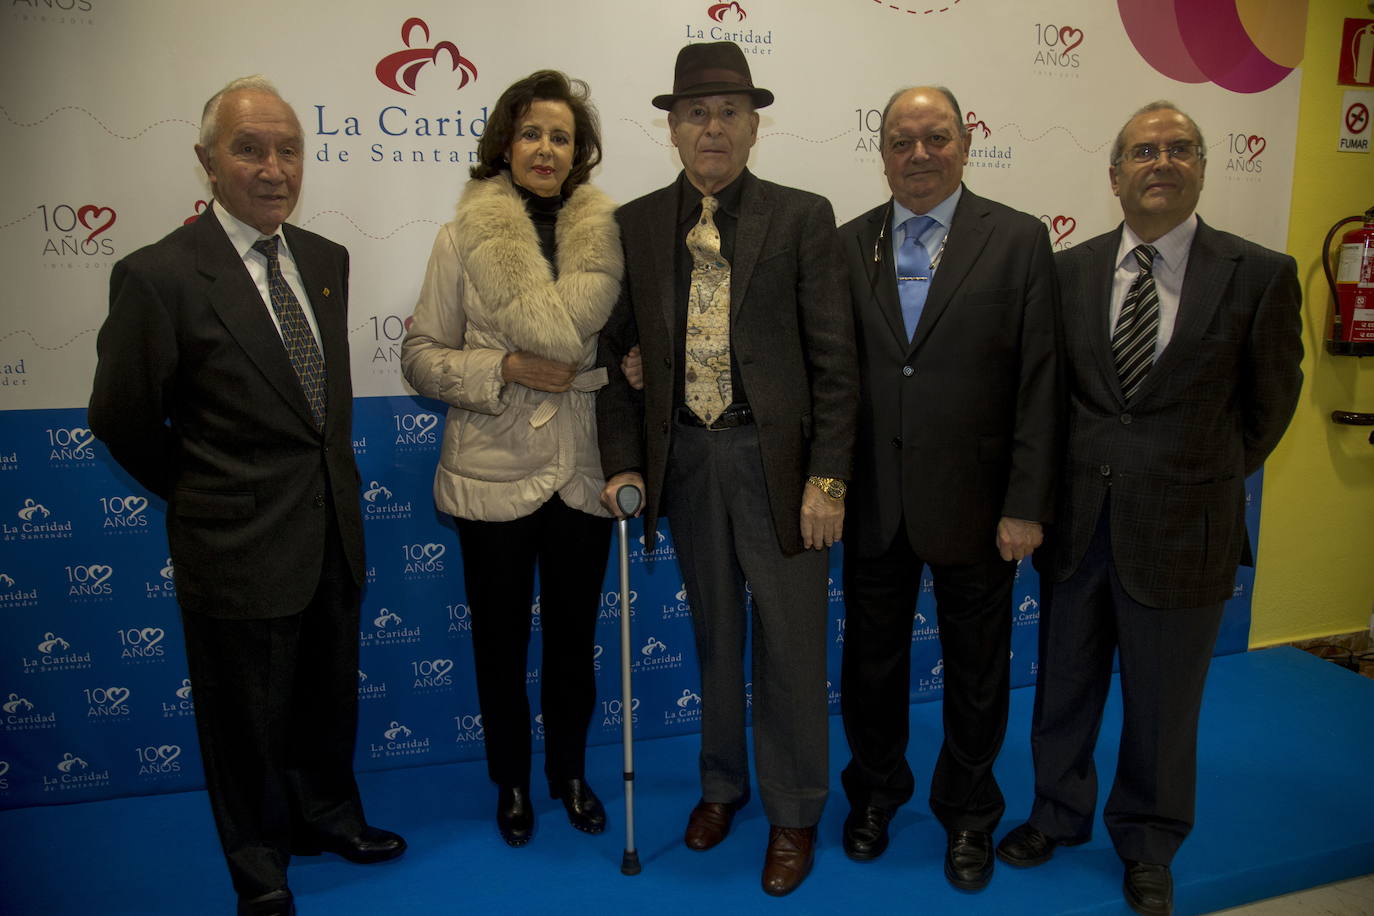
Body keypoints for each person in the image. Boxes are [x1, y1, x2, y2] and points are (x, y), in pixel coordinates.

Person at [89, 76, 404, 916]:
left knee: (326, 699)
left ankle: (328, 818)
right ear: (206, 162)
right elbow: (119, 418)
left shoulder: (326, 261)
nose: (274, 168)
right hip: (234, 545)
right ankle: (258, 863)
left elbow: (314, 413)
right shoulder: (158, 276)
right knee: (244, 726)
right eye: (250, 148)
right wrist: (205, 491)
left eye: (289, 149)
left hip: (333, 532)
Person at [994, 102, 1303, 916]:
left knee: (1165, 707)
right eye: (1142, 151)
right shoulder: (1069, 272)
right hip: (1078, 527)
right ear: (1115, 176)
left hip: (1184, 533)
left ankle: (1148, 842)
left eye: (1177, 149)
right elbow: (1046, 401)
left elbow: (1270, 407)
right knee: (1063, 688)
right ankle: (1056, 816)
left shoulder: (1259, 273)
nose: (1159, 162)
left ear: (1202, 166)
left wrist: (1196, 479)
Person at [596, 41, 857, 897]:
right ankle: (722, 787)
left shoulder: (803, 215)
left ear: (754, 126)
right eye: (697, 113)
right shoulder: (635, 223)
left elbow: (835, 363)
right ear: (671, 128)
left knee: (790, 645)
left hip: (777, 465)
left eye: (731, 112)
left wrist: (829, 478)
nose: (714, 128)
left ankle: (793, 812)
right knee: (717, 641)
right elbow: (619, 352)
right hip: (688, 460)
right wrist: (628, 462)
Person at [836, 86, 1059, 891]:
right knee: (870, 668)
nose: (919, 154)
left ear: (965, 144)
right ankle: (874, 793)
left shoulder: (1020, 239)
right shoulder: (847, 242)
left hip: (979, 505)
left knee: (976, 672)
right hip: (872, 502)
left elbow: (1040, 380)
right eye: (901, 140)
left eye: (936, 138)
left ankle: (969, 812)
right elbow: (839, 377)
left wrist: (1026, 502)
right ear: (883, 151)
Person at [400, 70, 622, 849]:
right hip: (493, 468)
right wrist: (502, 369)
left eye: (561, 137)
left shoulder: (607, 234)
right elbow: (421, 356)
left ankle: (568, 772)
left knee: (572, 638)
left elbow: (623, 347)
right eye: (532, 133)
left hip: (583, 470)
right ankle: (514, 782)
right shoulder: (463, 236)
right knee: (500, 643)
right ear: (505, 142)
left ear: (579, 152)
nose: (546, 149)